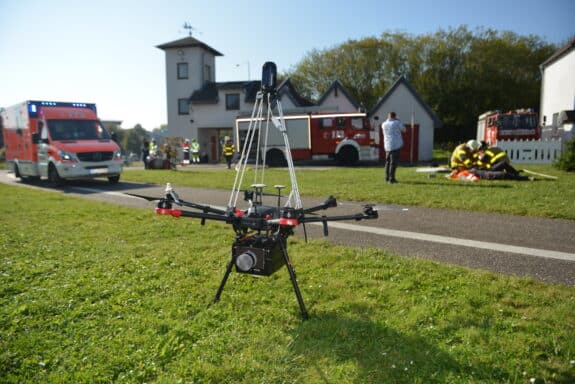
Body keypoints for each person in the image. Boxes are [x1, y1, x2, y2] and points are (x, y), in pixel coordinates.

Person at [381, 112, 406, 183]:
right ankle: (392, 179)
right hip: (395, 145)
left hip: (387, 145)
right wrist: (399, 121)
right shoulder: (397, 123)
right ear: (395, 116)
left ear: (388, 116)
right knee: (393, 163)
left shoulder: (384, 124)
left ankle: (387, 177)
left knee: (387, 163)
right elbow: (404, 130)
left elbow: (387, 122)